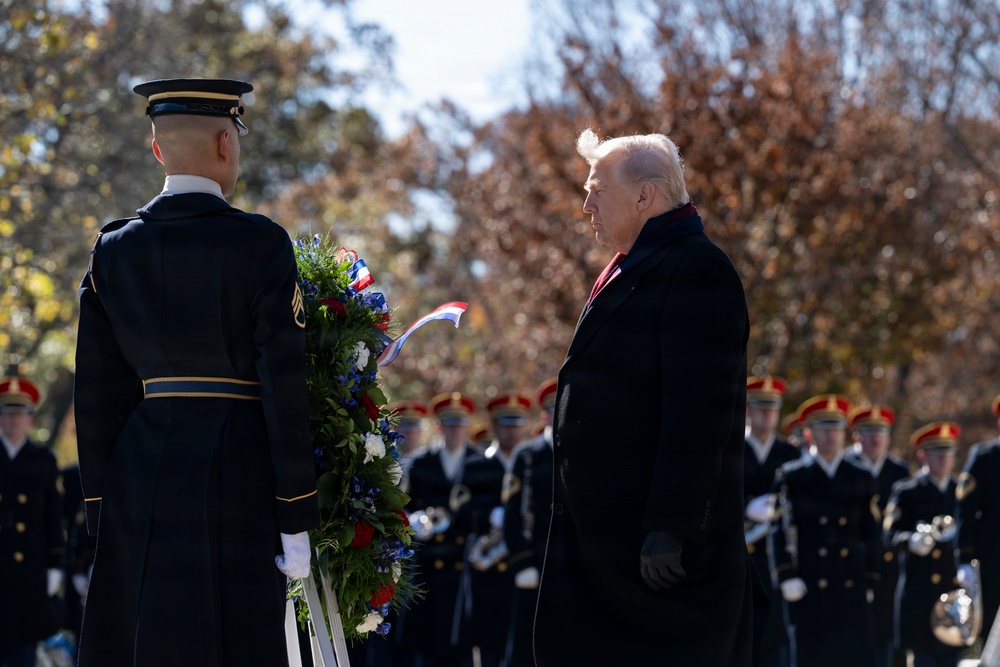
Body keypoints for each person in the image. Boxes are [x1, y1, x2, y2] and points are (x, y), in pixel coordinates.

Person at [73, 78, 319, 667]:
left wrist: (103, 508)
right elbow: (283, 384)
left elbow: (96, 393)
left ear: (158, 151)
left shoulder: (112, 250)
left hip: (139, 473)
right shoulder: (260, 244)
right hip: (237, 469)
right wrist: (296, 512)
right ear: (225, 143)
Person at [534, 130, 760, 666]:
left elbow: (699, 413)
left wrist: (671, 527)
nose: (586, 203)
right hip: (608, 556)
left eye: (597, 190)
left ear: (645, 197)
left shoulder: (696, 268)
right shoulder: (634, 263)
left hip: (658, 570)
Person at [771, 394, 882, 667]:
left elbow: (872, 533)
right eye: (824, 428)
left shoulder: (860, 476)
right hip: (810, 585)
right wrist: (785, 575)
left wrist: (871, 577)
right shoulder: (791, 475)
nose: (832, 435)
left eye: (836, 428)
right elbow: (779, 528)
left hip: (850, 583)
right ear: (810, 433)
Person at [402, 391, 482, 667]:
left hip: (465, 564)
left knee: (462, 641)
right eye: (449, 423)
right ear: (439, 426)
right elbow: (407, 506)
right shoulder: (422, 462)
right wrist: (416, 520)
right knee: (427, 640)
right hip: (429, 563)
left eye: (460, 423)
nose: (455, 429)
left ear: (468, 426)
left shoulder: (480, 462)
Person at [884, 422, 961, 667]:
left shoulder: (960, 492)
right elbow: (888, 535)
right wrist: (910, 541)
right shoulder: (906, 490)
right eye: (936, 453)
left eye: (947, 453)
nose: (943, 459)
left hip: (952, 595)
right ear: (923, 455)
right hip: (919, 597)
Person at [0, 375, 65, 667]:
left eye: (20, 413)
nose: (13, 420)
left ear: (30, 419)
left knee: (23, 654)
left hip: (29, 571)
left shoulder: (43, 460)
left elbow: (53, 518)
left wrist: (54, 564)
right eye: (6, 413)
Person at [462, 393, 530, 667]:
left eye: (516, 423)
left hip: (523, 567)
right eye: (505, 423)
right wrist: (489, 514)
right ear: (494, 425)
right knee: (487, 648)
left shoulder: (532, 462)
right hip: (486, 571)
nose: (511, 430)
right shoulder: (475, 465)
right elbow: (461, 512)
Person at [845, 404, 910, 667]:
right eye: (869, 432)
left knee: (887, 633)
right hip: (852, 561)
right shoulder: (845, 467)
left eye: (881, 432)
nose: (876, 439)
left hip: (888, 565)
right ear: (856, 436)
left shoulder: (898, 471)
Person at [743, 376, 801, 667]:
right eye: (760, 407)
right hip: (740, 558)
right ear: (747, 410)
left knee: (777, 643)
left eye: (772, 408)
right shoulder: (731, 449)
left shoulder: (790, 454)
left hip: (776, 562)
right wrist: (744, 508)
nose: (767, 413)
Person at [501, 378, 556, 667]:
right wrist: (522, 562)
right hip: (534, 563)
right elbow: (511, 515)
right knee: (525, 649)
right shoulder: (527, 455)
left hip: (570, 568)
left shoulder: (583, 455)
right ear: (545, 415)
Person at [956, 392, 1000, 641]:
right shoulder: (984, 457)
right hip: (992, 560)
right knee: (992, 636)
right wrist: (964, 557)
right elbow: (965, 509)